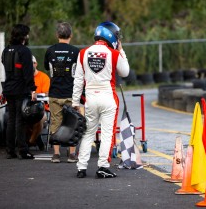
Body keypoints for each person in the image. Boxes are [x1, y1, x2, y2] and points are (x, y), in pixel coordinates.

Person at [72, 21, 130, 178]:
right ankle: (103, 166)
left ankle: (81, 168)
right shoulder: (114, 54)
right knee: (106, 134)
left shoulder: (83, 53)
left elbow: (78, 79)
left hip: (91, 98)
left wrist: (75, 102)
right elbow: (125, 72)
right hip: (108, 98)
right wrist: (121, 49)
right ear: (111, 36)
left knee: (88, 132)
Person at [44, 21, 80, 163]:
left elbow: (47, 67)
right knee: (73, 122)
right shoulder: (75, 51)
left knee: (55, 123)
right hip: (71, 93)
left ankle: (56, 154)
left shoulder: (50, 50)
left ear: (57, 34)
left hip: (54, 93)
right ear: (70, 35)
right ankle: (71, 154)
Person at [1, 24, 37, 159]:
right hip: (21, 89)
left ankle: (10, 150)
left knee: (11, 120)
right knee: (20, 120)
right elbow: (28, 73)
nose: (28, 36)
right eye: (26, 34)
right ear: (23, 36)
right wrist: (33, 89)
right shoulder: (25, 51)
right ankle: (23, 150)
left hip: (8, 88)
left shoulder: (6, 50)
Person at [27, 55, 50, 151]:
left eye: (31, 63)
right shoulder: (24, 78)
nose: (29, 66)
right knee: (20, 119)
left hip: (42, 108)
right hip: (26, 107)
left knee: (38, 119)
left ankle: (31, 141)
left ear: (35, 64)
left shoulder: (43, 77)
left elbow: (45, 94)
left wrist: (34, 95)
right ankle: (37, 138)